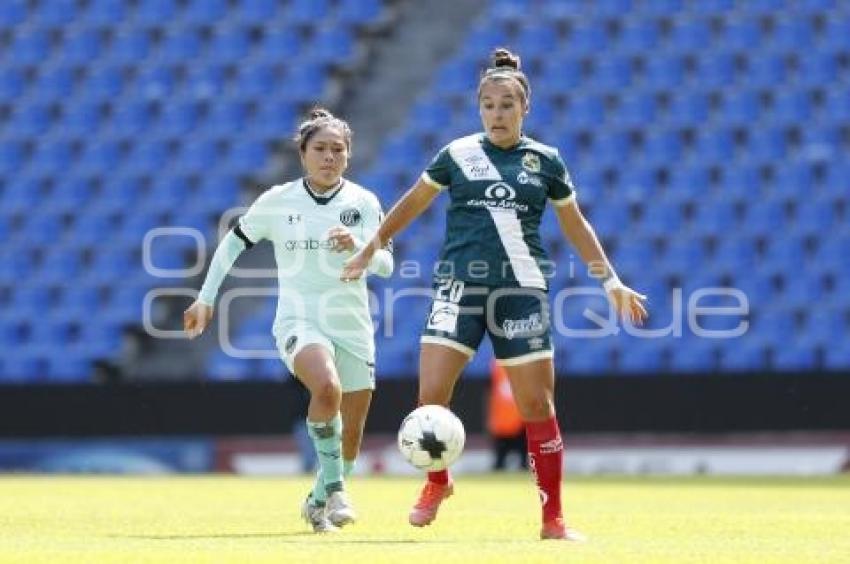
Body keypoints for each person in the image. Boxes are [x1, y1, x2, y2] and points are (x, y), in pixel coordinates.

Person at [341, 48, 647, 541]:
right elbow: (412, 204)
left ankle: (553, 520)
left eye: (507, 104)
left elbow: (575, 223)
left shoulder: (545, 161)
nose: (497, 113)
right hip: (457, 289)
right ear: (478, 108)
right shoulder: (456, 155)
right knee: (430, 401)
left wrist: (609, 280)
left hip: (521, 294)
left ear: (525, 107)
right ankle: (437, 482)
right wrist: (367, 247)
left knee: (537, 408)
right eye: (488, 104)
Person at [183, 108, 393, 533]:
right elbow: (231, 245)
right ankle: (336, 492)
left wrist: (361, 248)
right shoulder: (278, 200)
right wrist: (205, 298)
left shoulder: (364, 202)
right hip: (300, 319)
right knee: (327, 387)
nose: (329, 157)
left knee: (350, 441)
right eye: (320, 149)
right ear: (303, 154)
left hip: (351, 324)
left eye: (338, 150)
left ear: (349, 156)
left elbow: (387, 265)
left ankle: (317, 501)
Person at [488, 359, 527, 471]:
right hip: (502, 422)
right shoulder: (497, 365)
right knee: (499, 463)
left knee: (523, 464)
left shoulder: (525, 361)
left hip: (521, 421)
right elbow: (491, 392)